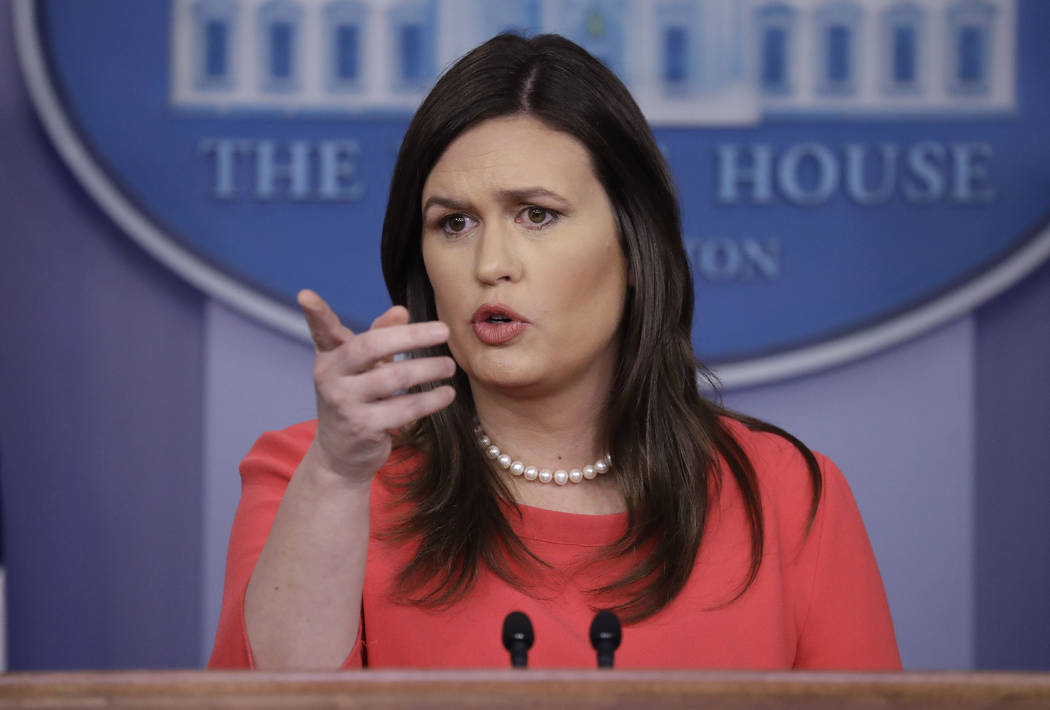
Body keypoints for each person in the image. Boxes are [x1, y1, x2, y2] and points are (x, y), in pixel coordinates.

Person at [209, 33, 900, 670]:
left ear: (635, 247)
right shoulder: (315, 478)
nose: (490, 263)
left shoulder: (786, 498)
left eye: (536, 214)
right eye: (454, 223)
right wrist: (335, 478)